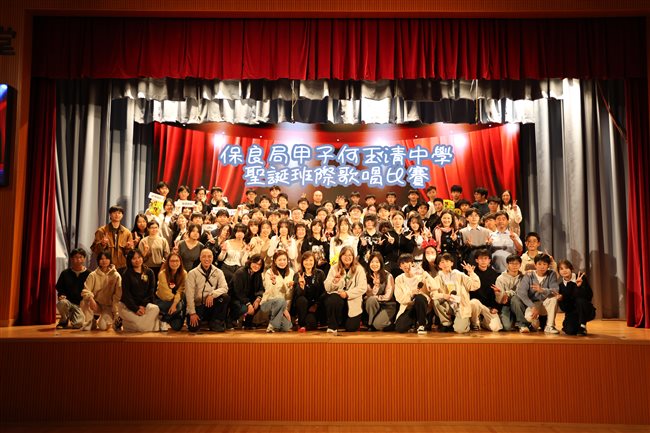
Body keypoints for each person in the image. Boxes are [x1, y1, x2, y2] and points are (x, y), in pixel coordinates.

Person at [429, 253, 480, 333]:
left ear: (452, 263)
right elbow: (433, 294)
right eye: (442, 262)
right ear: (439, 265)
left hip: (461, 306)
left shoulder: (460, 275)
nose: (445, 264)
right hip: (448, 305)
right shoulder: (437, 279)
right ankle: (447, 323)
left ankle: (467, 322)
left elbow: (475, 286)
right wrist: (443, 295)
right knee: (436, 301)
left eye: (447, 261)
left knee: (459, 330)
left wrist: (471, 273)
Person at [512, 254, 560, 334]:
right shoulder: (529, 275)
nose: (542, 267)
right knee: (529, 318)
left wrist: (542, 290)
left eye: (544, 264)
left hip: (546, 303)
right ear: (535, 265)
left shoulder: (552, 274)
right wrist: (532, 306)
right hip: (534, 304)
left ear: (548, 266)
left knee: (553, 299)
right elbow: (521, 293)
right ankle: (536, 323)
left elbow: (555, 290)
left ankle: (550, 326)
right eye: (539, 264)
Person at [323, 246, 367, 333]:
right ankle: (332, 326)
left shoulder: (359, 269)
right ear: (340, 256)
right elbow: (327, 287)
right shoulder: (334, 268)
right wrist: (335, 282)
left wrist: (347, 294)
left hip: (353, 301)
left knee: (351, 328)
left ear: (353, 257)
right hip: (338, 299)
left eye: (350, 255)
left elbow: (362, 287)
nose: (347, 257)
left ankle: (344, 322)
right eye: (345, 255)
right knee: (332, 299)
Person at [185, 248, 230, 332]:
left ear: (212, 258)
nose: (207, 259)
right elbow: (189, 295)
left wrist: (212, 294)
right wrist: (192, 313)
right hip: (198, 306)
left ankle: (215, 321)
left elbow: (225, 288)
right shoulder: (192, 273)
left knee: (225, 297)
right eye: (204, 256)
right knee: (193, 329)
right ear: (200, 258)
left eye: (209, 256)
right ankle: (203, 321)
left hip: (211, 304)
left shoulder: (218, 272)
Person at [118, 250, 160, 332]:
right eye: (134, 258)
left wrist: (143, 305)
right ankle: (142, 326)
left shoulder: (149, 272)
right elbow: (126, 295)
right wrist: (136, 309)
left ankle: (127, 324)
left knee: (155, 309)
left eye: (139, 257)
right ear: (130, 260)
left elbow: (151, 291)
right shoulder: (126, 274)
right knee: (147, 327)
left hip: (144, 305)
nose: (137, 260)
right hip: (128, 306)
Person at [80, 251, 121, 331]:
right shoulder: (93, 275)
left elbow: (118, 295)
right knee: (84, 301)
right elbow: (85, 290)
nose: (104, 261)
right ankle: (90, 322)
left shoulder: (115, 275)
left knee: (103, 327)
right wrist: (91, 299)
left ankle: (105, 320)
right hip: (96, 304)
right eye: (101, 259)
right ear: (98, 261)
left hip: (109, 306)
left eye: (106, 258)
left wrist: (115, 311)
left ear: (110, 260)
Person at [394, 254, 434, 333]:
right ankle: (414, 322)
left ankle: (422, 324)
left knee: (419, 297)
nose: (405, 265)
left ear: (412, 263)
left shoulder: (420, 276)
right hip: (408, 307)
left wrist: (424, 273)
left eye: (407, 262)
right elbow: (399, 298)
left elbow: (435, 286)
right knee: (400, 328)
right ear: (400, 267)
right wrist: (411, 293)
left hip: (422, 306)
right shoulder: (399, 279)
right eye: (402, 263)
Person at [55, 248, 91, 329]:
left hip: (81, 305)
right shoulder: (65, 273)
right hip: (68, 302)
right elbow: (60, 288)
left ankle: (72, 316)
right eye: (76, 257)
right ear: (71, 259)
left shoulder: (89, 274)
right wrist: (61, 295)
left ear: (84, 259)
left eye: (80, 257)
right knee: (62, 303)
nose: (78, 260)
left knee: (78, 324)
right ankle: (64, 321)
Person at [558, 260, 596, 335]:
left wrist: (579, 287)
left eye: (566, 268)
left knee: (579, 300)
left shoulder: (580, 277)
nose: (564, 270)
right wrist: (561, 300)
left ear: (571, 268)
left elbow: (589, 296)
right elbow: (565, 309)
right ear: (559, 272)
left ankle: (582, 325)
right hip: (572, 312)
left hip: (585, 309)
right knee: (569, 331)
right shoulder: (561, 286)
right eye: (561, 269)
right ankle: (577, 326)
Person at [468, 249, 503, 332]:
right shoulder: (471, 273)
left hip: (488, 306)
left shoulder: (494, 274)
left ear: (489, 260)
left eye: (486, 258)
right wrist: (470, 274)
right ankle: (474, 323)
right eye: (481, 258)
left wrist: (495, 307)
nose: (483, 261)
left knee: (496, 327)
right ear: (476, 260)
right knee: (474, 302)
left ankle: (483, 322)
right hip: (475, 304)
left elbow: (495, 293)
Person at [261, 250, 295, 332]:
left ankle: (276, 322)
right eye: (279, 260)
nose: (282, 262)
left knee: (286, 327)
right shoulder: (269, 272)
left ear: (287, 260)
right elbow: (269, 292)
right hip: (270, 303)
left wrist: (290, 287)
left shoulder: (291, 272)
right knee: (279, 301)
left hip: (287, 304)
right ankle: (271, 326)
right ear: (275, 261)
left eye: (284, 259)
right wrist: (273, 282)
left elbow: (290, 293)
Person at [91, 205, 133, 269]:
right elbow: (94, 249)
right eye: (114, 213)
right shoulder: (102, 231)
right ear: (110, 215)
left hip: (122, 266)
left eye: (119, 213)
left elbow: (130, 254)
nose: (117, 215)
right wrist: (102, 244)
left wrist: (128, 248)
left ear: (122, 215)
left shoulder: (127, 232)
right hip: (106, 266)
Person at [293, 251, 326, 332]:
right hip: (303, 305)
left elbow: (324, 292)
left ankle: (310, 321)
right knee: (301, 300)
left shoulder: (320, 273)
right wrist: (302, 286)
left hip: (315, 306)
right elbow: (297, 294)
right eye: (306, 260)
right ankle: (301, 324)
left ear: (314, 261)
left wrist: (316, 305)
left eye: (311, 260)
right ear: (302, 262)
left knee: (311, 324)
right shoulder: (298, 275)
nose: (308, 262)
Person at [230, 254, 265, 330]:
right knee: (244, 309)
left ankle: (247, 322)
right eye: (255, 263)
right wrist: (248, 304)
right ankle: (233, 320)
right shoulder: (240, 272)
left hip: (248, 298)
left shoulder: (258, 274)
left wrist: (258, 299)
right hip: (237, 299)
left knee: (259, 304)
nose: (257, 266)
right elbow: (238, 292)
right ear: (250, 262)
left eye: (259, 264)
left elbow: (261, 288)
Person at [363, 252, 396, 331]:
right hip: (373, 305)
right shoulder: (366, 276)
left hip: (387, 305)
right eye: (372, 262)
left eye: (377, 262)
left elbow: (388, 296)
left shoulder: (388, 275)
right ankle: (371, 323)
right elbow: (368, 296)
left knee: (377, 325)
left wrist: (378, 286)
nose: (374, 264)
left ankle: (389, 322)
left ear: (381, 263)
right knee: (370, 300)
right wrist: (375, 286)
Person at [155, 252, 187, 331]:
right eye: (172, 261)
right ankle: (164, 320)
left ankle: (166, 317)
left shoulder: (184, 273)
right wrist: (176, 302)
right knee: (180, 305)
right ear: (168, 262)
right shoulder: (162, 274)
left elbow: (181, 291)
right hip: (162, 301)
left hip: (175, 302)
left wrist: (174, 303)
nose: (174, 263)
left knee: (177, 327)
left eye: (177, 261)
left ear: (180, 262)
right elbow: (166, 294)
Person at [493, 254, 524, 331]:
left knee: (515, 299)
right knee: (507, 327)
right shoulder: (500, 278)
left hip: (520, 305)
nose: (514, 265)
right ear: (507, 265)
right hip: (506, 305)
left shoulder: (524, 277)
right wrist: (500, 294)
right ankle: (514, 321)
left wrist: (507, 293)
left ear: (520, 265)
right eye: (512, 263)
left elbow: (523, 294)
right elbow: (499, 300)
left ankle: (522, 324)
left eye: (517, 263)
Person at [381, 211, 416, 278]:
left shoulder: (408, 233)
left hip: (404, 263)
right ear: (392, 220)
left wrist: (407, 240)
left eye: (400, 219)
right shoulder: (387, 233)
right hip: (390, 263)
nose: (397, 221)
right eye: (395, 219)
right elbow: (384, 251)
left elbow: (410, 250)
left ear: (403, 220)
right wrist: (391, 244)